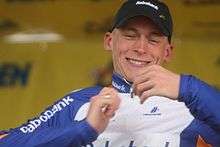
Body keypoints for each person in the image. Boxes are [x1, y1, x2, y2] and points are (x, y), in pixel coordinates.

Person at [1, 0, 220, 146]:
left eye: (153, 39)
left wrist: (187, 87)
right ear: (109, 41)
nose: (141, 48)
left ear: (168, 51)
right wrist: (83, 129)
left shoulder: (195, 105)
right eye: (130, 35)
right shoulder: (80, 102)